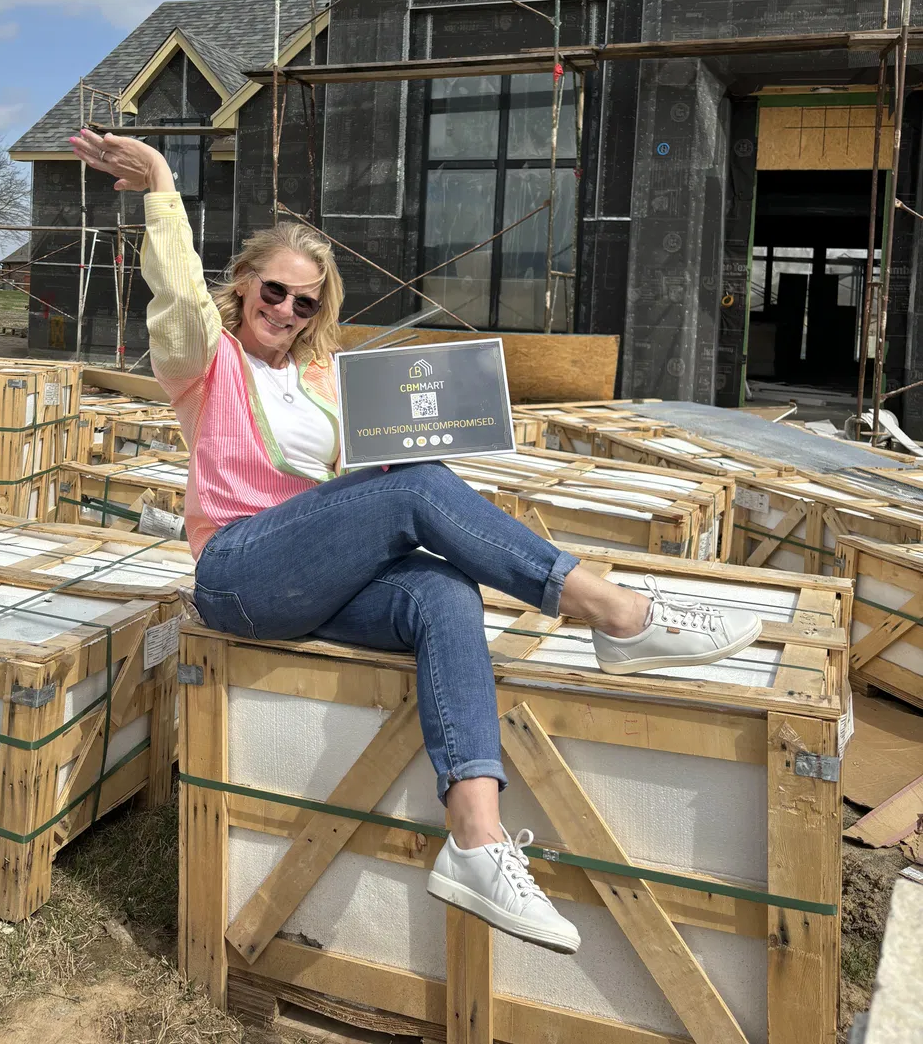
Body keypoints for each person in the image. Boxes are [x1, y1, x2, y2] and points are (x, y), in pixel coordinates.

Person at [69, 126, 762, 957]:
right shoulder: (204, 361)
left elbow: (358, 484)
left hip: (311, 571)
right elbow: (178, 296)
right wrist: (158, 185)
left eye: (307, 302)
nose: (287, 310)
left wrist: (411, 439)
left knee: (443, 591)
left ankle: (475, 837)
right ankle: (615, 612)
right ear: (245, 285)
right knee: (418, 486)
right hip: (239, 571)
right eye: (275, 291)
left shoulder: (324, 382)